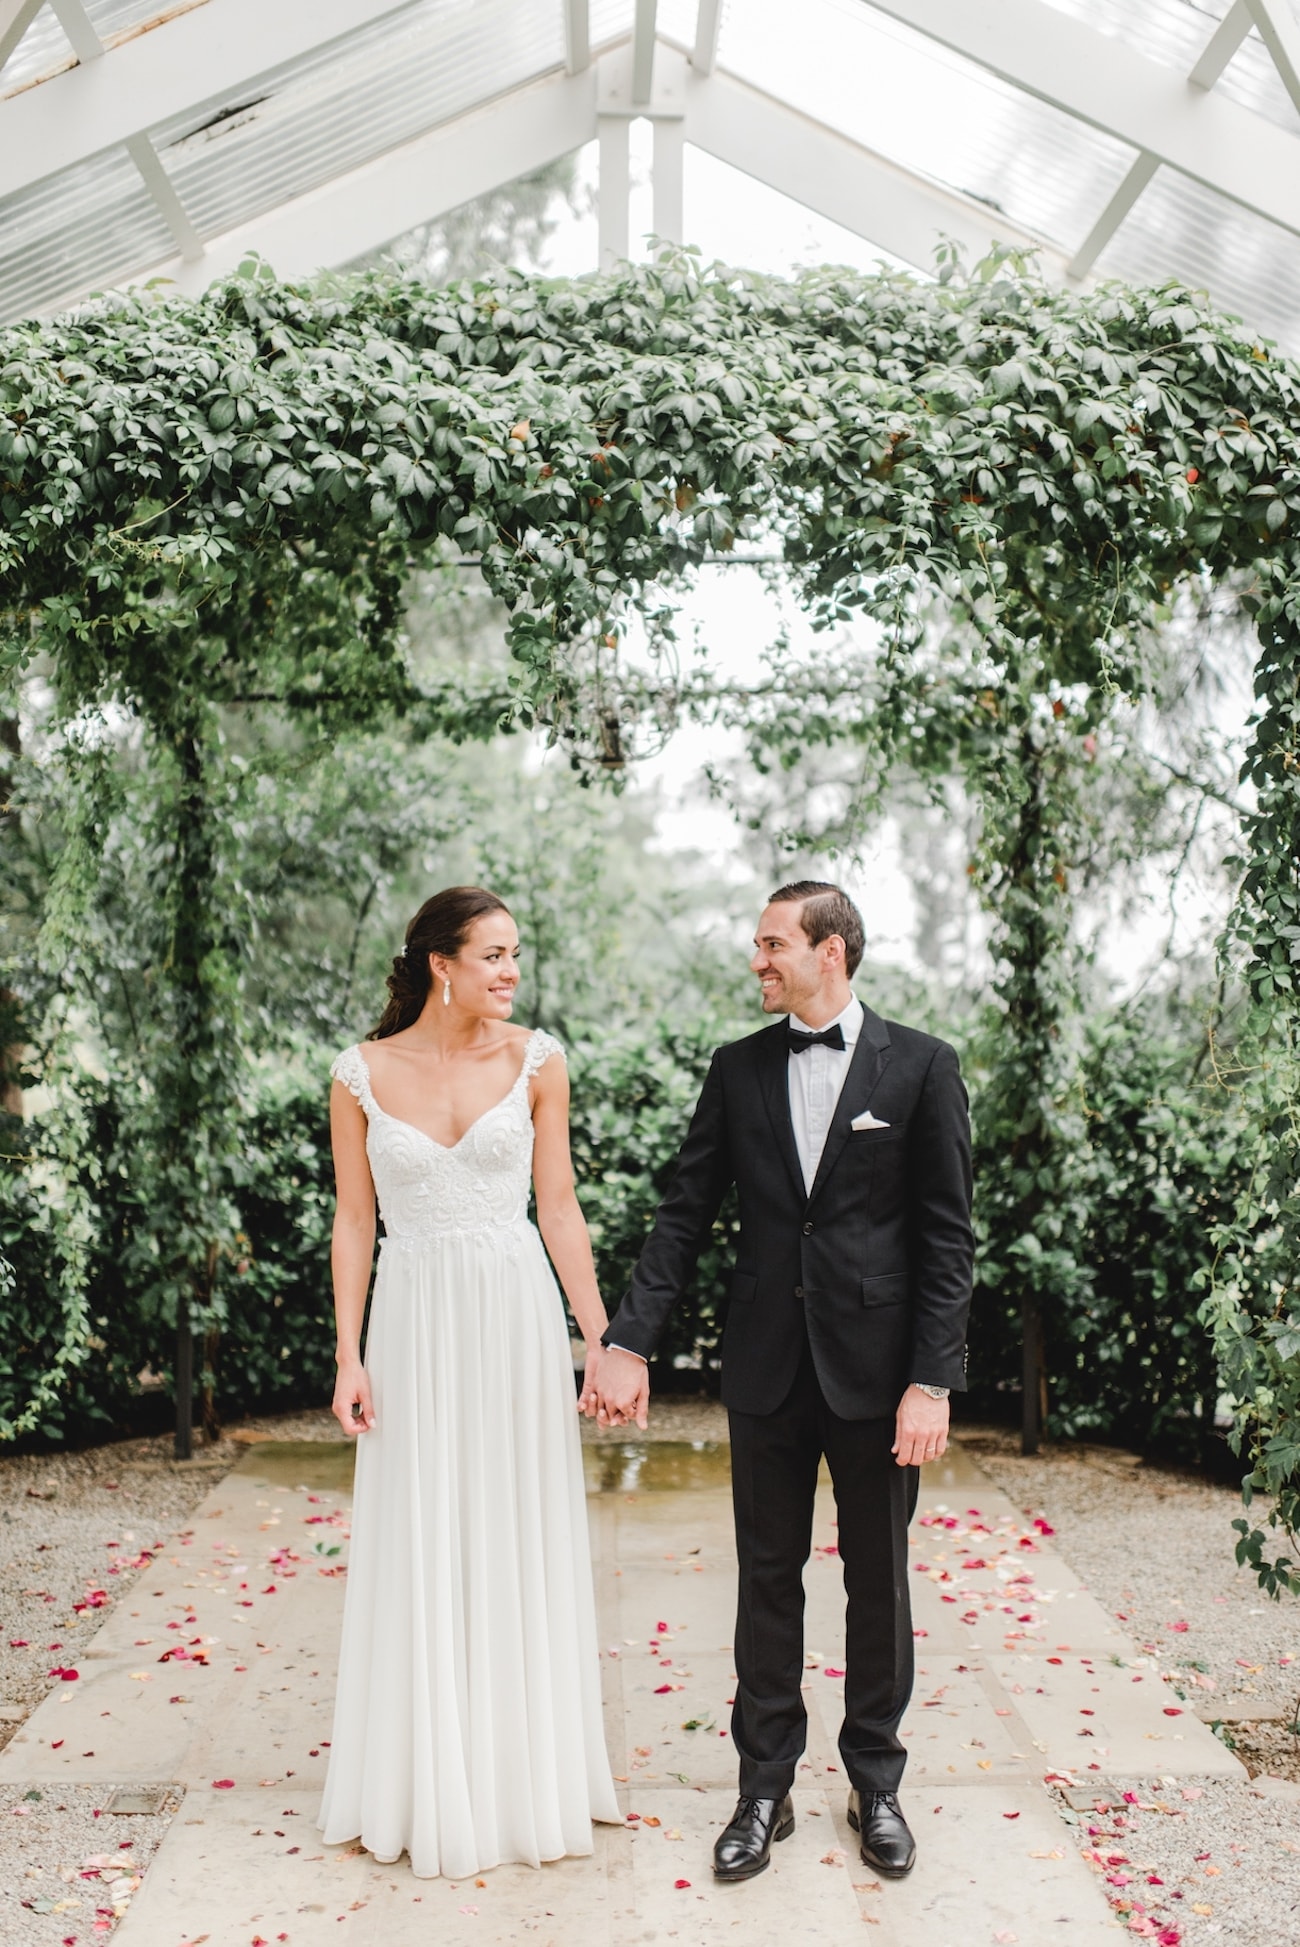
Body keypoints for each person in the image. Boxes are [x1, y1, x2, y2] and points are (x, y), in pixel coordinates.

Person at [594, 882, 972, 1884]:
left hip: (880, 1375)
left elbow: (946, 1238)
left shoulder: (924, 1068)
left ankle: (875, 1784)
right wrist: (629, 1339)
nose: (756, 962)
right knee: (766, 1578)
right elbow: (684, 1213)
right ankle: (763, 1788)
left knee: (877, 1579)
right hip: (765, 1368)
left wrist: (931, 1381)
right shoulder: (737, 1069)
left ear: (830, 952)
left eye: (772, 946)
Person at [317, 886, 619, 1878]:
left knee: (510, 1525)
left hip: (511, 1311)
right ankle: (420, 1779)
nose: (510, 972)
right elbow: (354, 1221)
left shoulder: (537, 1061)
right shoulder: (359, 1074)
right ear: (440, 963)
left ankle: (522, 1777)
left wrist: (603, 1340)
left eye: (515, 955)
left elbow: (561, 1205)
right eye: (493, 954)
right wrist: (348, 1354)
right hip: (412, 1319)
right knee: (423, 1529)